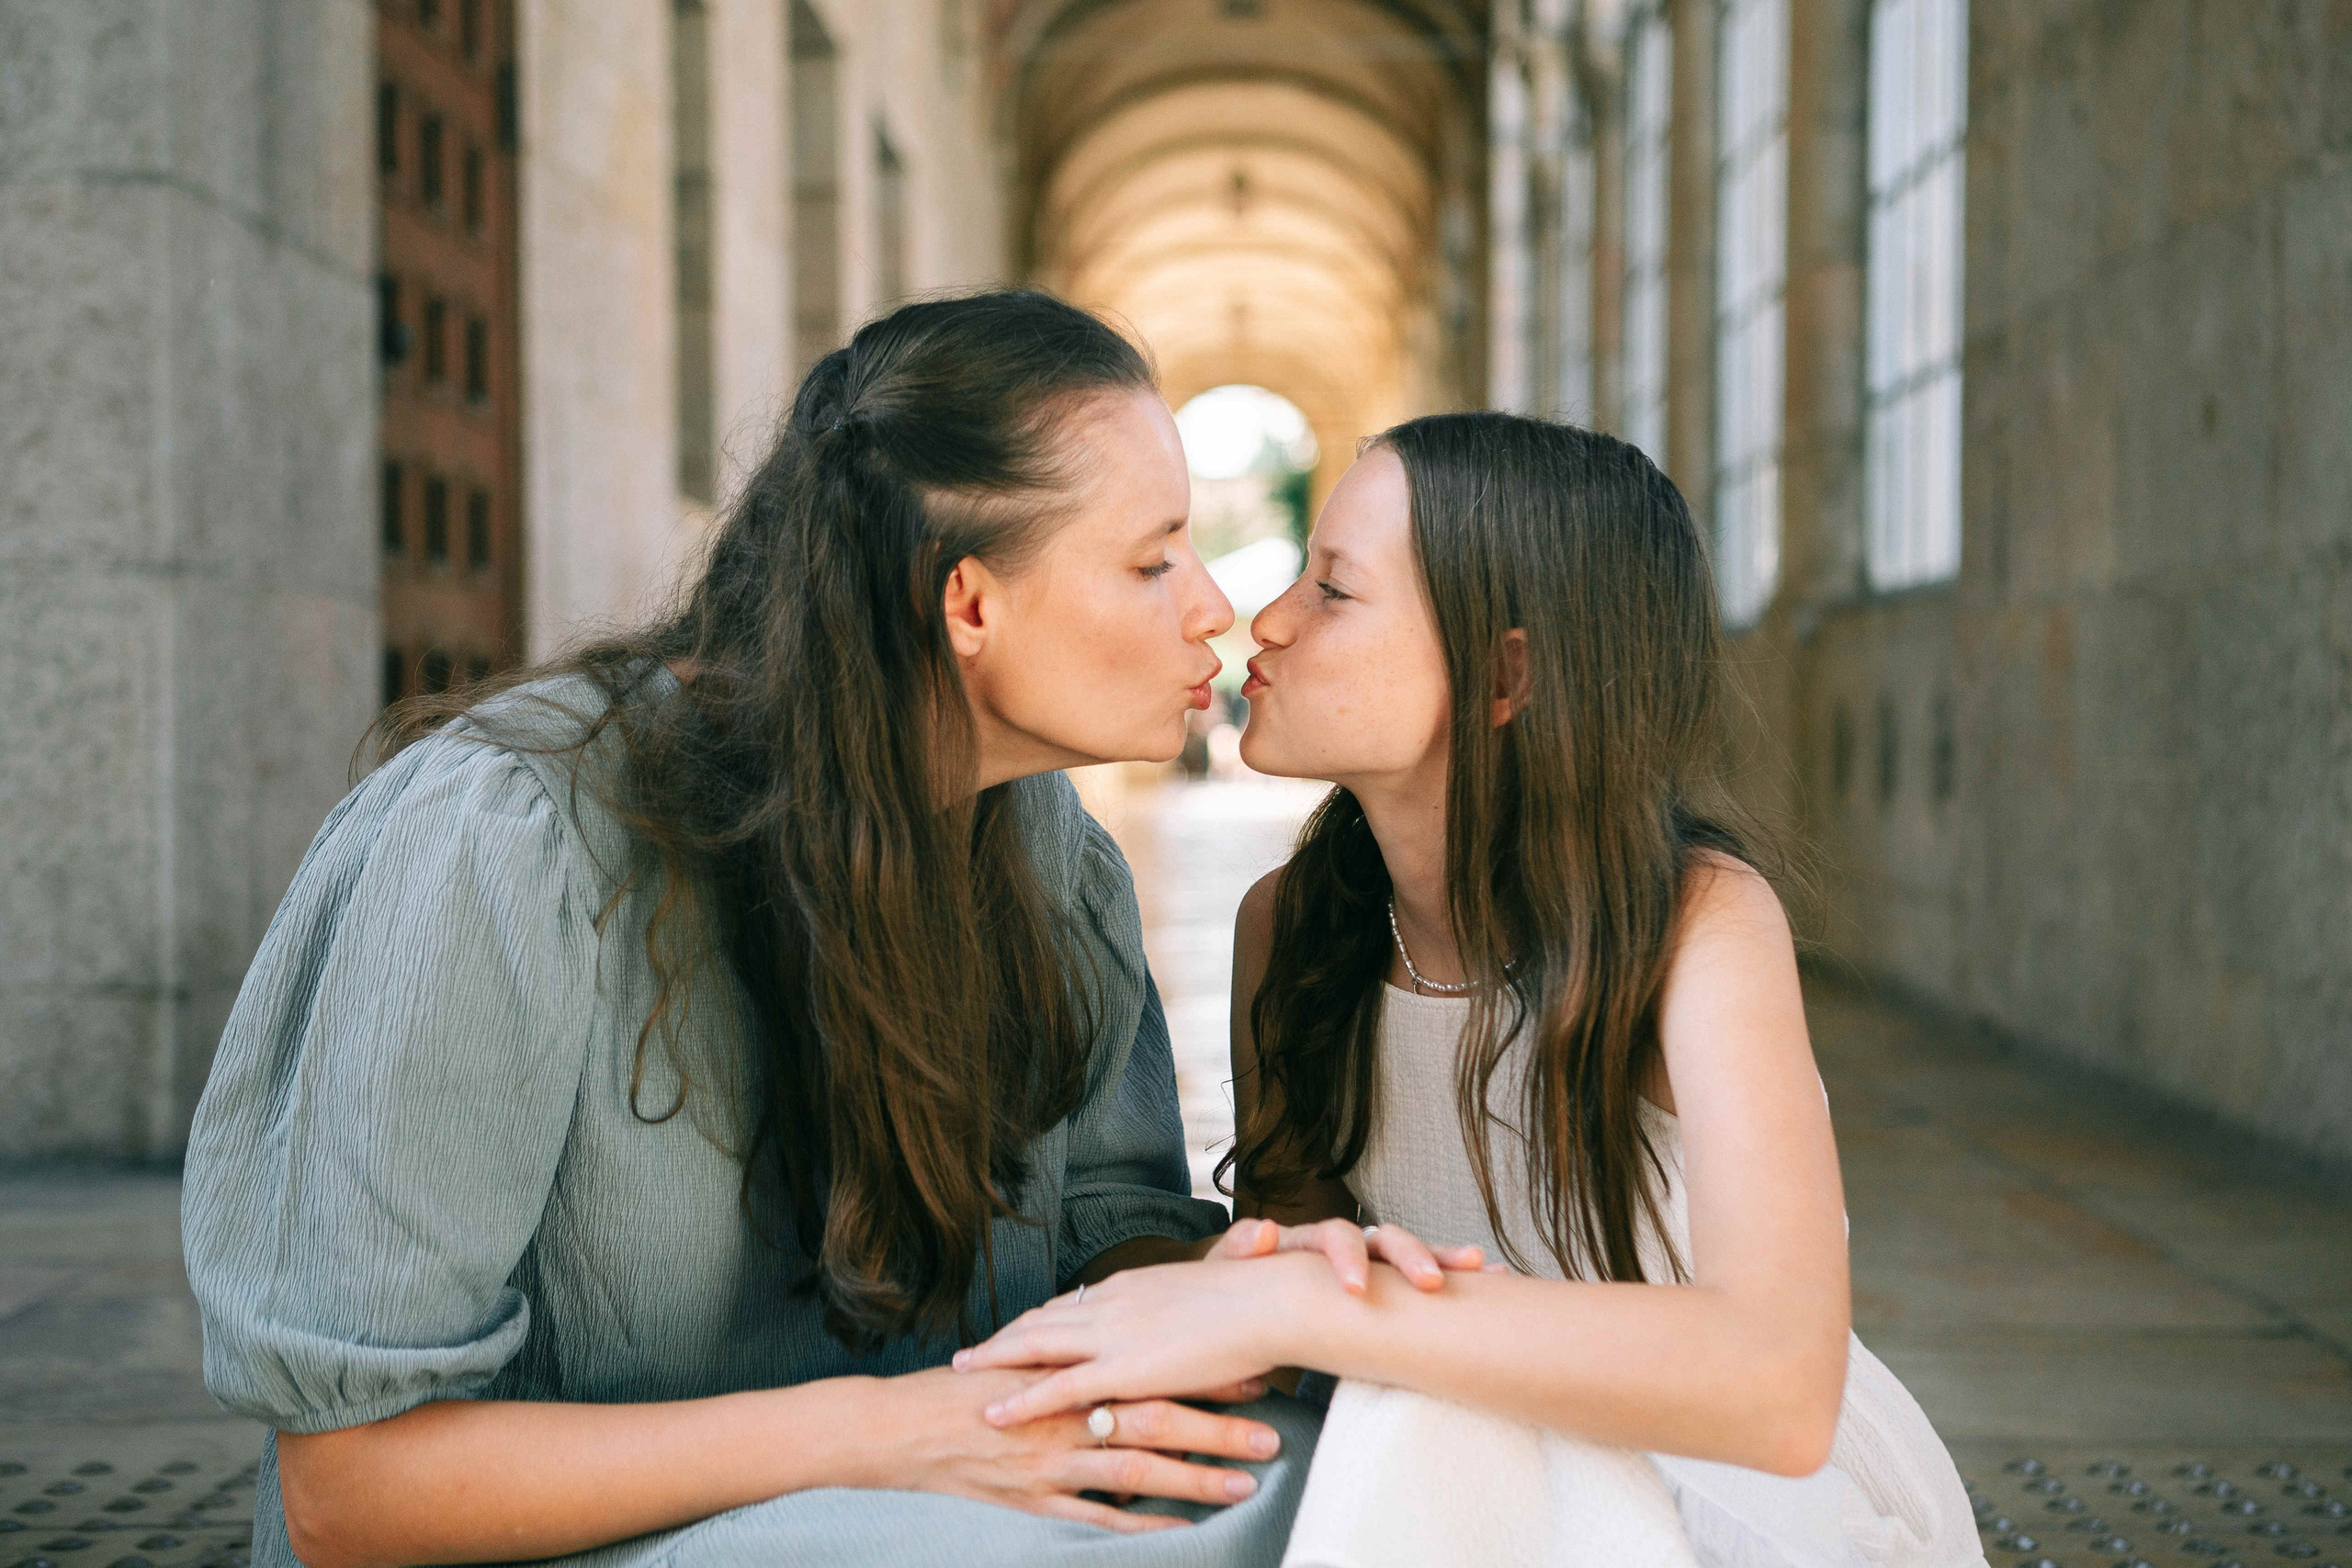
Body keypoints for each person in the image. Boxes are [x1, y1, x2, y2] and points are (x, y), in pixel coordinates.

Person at [181, 291, 1426, 1568]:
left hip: (917, 1487)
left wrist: (1255, 1294)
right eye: (1153, 559)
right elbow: (349, 1489)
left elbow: (1107, 1227)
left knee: (1373, 1488)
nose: (1218, 607)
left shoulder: (1048, 848)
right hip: (560, 1537)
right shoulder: (501, 843)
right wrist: (886, 1431)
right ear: (969, 603)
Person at [957, 412, 1989, 1567]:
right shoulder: (1289, 929)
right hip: (1447, 1461)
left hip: (1745, 1492)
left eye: (1335, 591)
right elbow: (1291, 1285)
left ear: (1507, 674)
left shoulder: (1697, 921)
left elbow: (1782, 1387)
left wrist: (1311, 1311)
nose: (1272, 622)